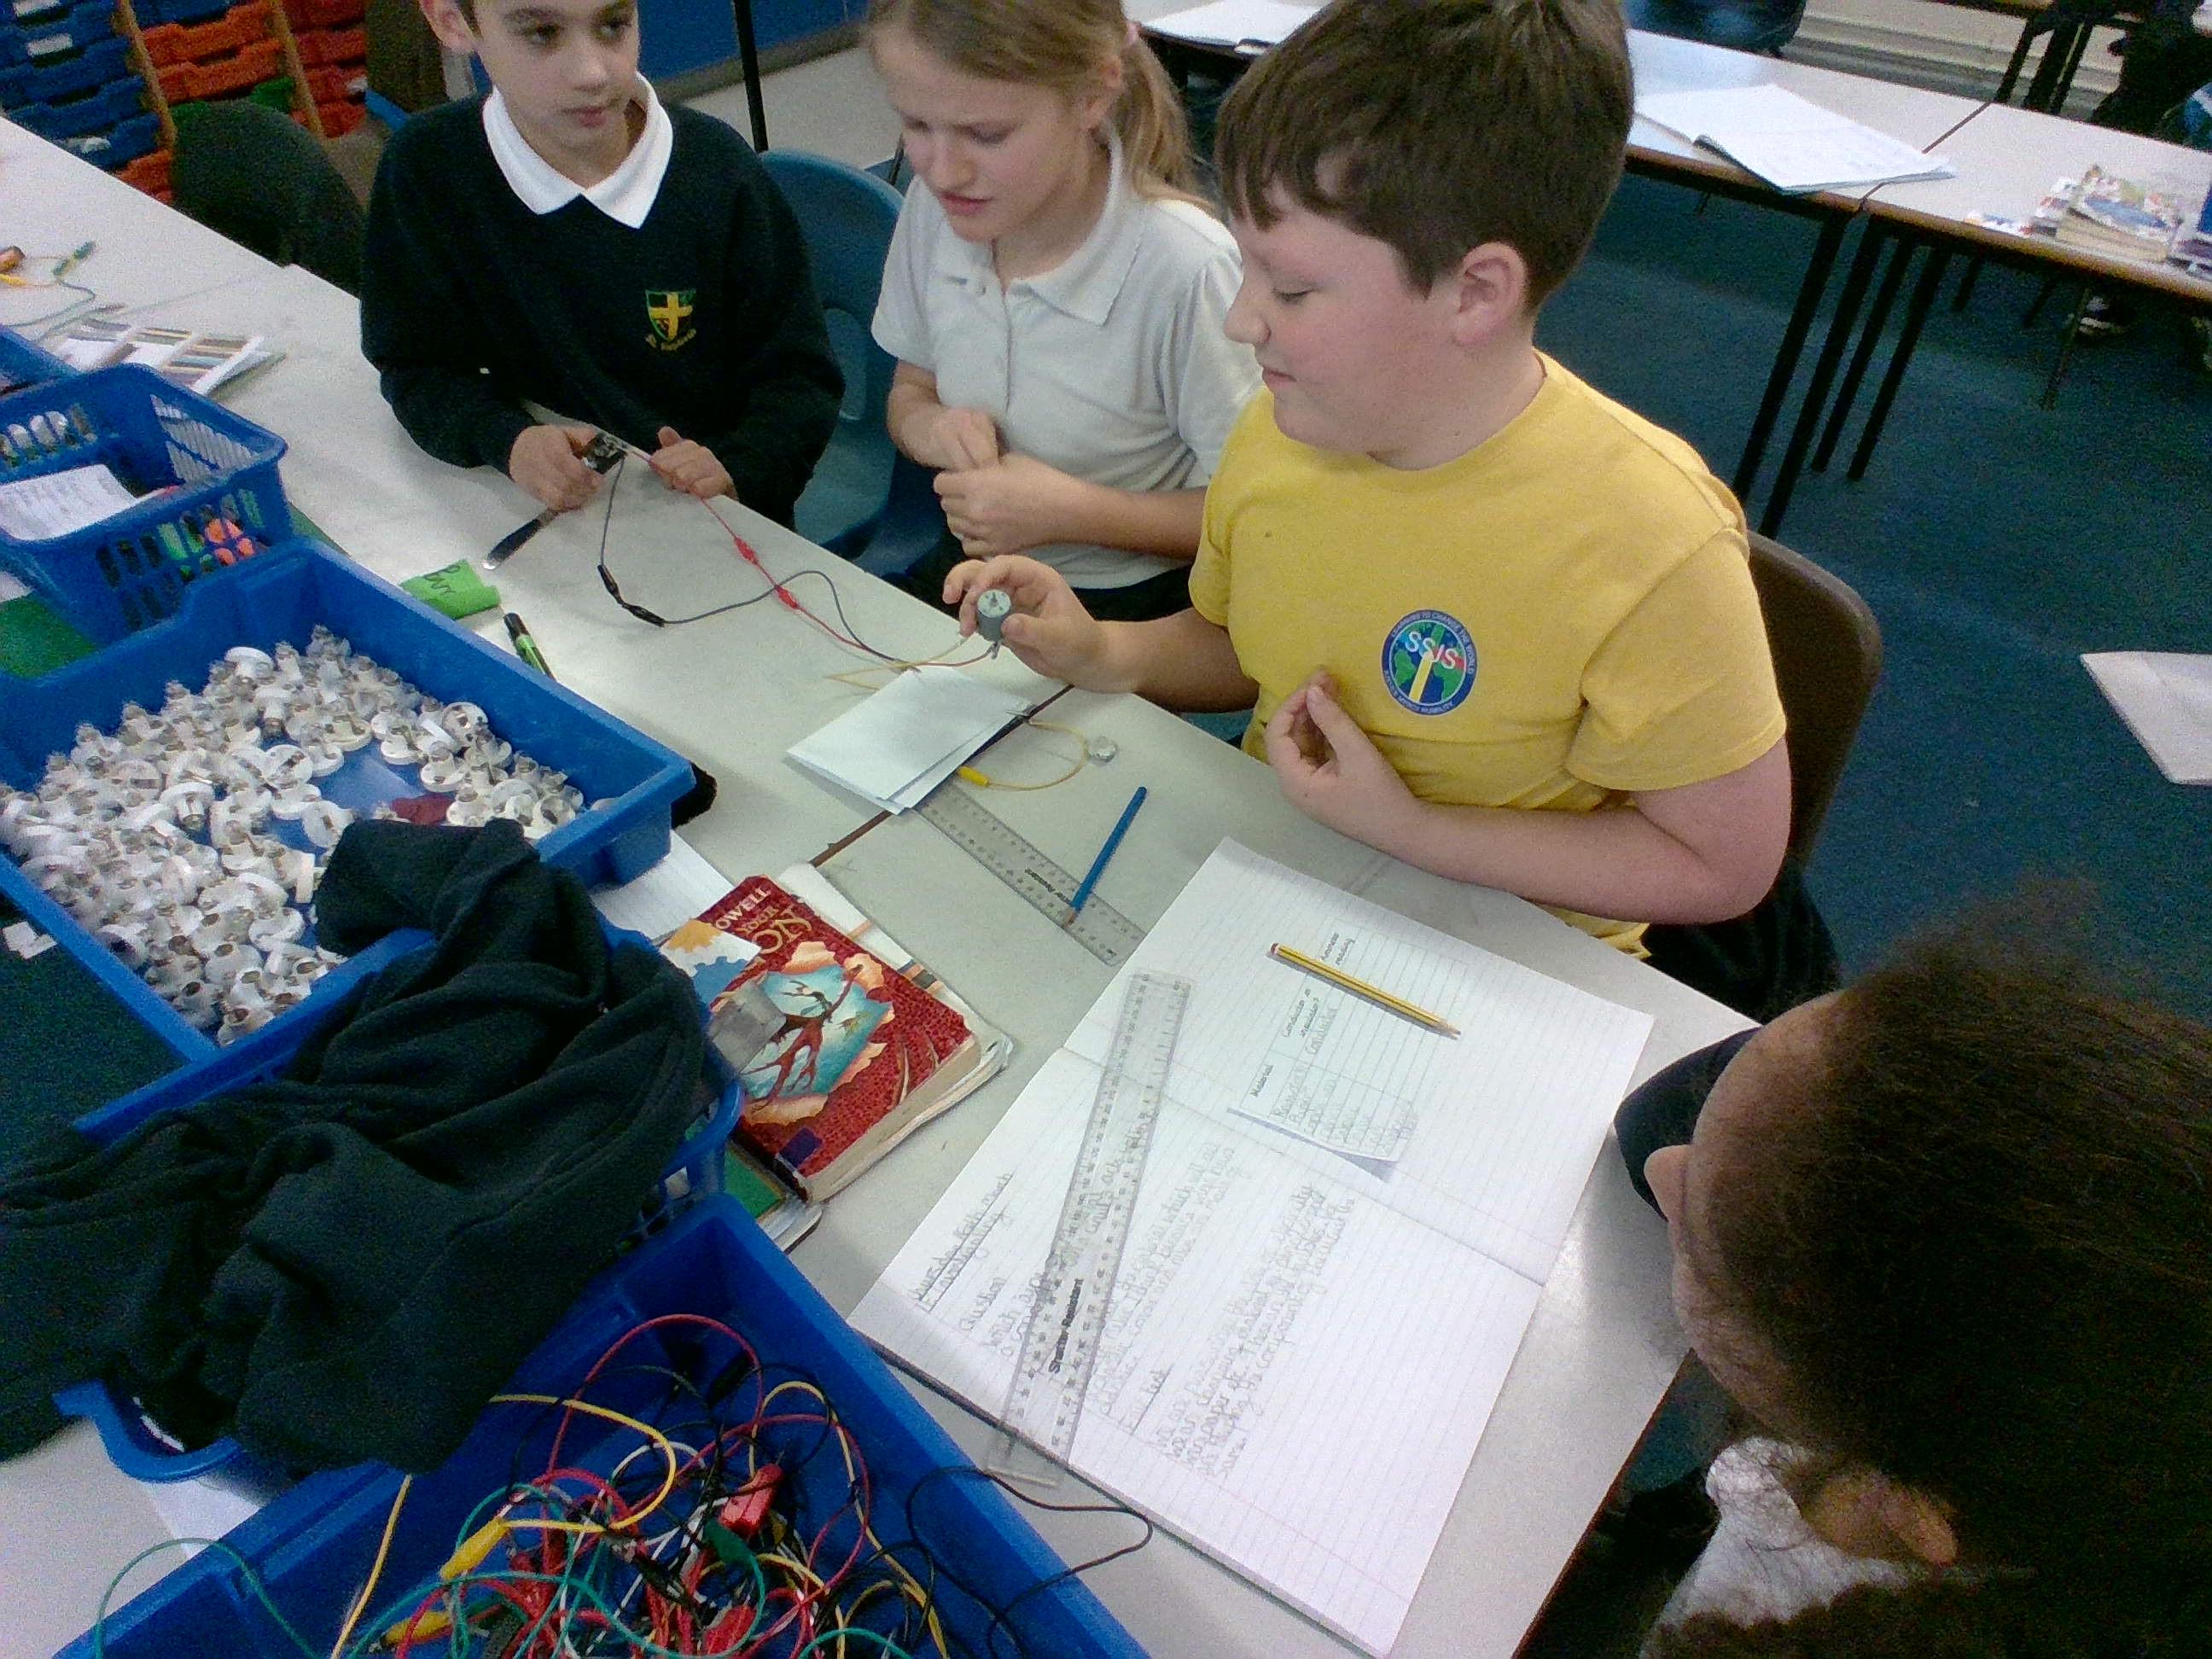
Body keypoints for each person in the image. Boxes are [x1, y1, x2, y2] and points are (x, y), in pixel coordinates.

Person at [945, 0, 1790, 955]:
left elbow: (1723, 864)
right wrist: (1108, 652)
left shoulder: (1649, 537)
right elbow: (1248, 645)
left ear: (1475, 292)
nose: (1241, 320)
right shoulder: (1282, 431)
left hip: (1507, 963)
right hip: (1284, 886)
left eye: (1291, 288)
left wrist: (1415, 831)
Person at [1617, 927, 2212, 1654]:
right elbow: (1651, 1120)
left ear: (1915, 1510)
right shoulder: (1932, 1422)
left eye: (1703, 1256)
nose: (1664, 1166)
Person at [359, 0, 842, 526]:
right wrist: (507, 439)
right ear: (452, 21)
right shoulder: (427, 168)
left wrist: (740, 467)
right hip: (542, 518)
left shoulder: (718, 172)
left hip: (715, 524)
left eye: (614, 25)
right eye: (542, 33)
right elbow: (416, 364)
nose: (592, 73)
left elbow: (800, 377)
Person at [865, 0, 1260, 621]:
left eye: (986, 135)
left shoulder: (1188, 269)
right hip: (974, 577)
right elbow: (911, 389)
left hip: (1139, 613)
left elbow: (1261, 516)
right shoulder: (935, 212)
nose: (943, 171)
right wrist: (931, 428)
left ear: (1092, 96)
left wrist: (1072, 514)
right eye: (915, 125)